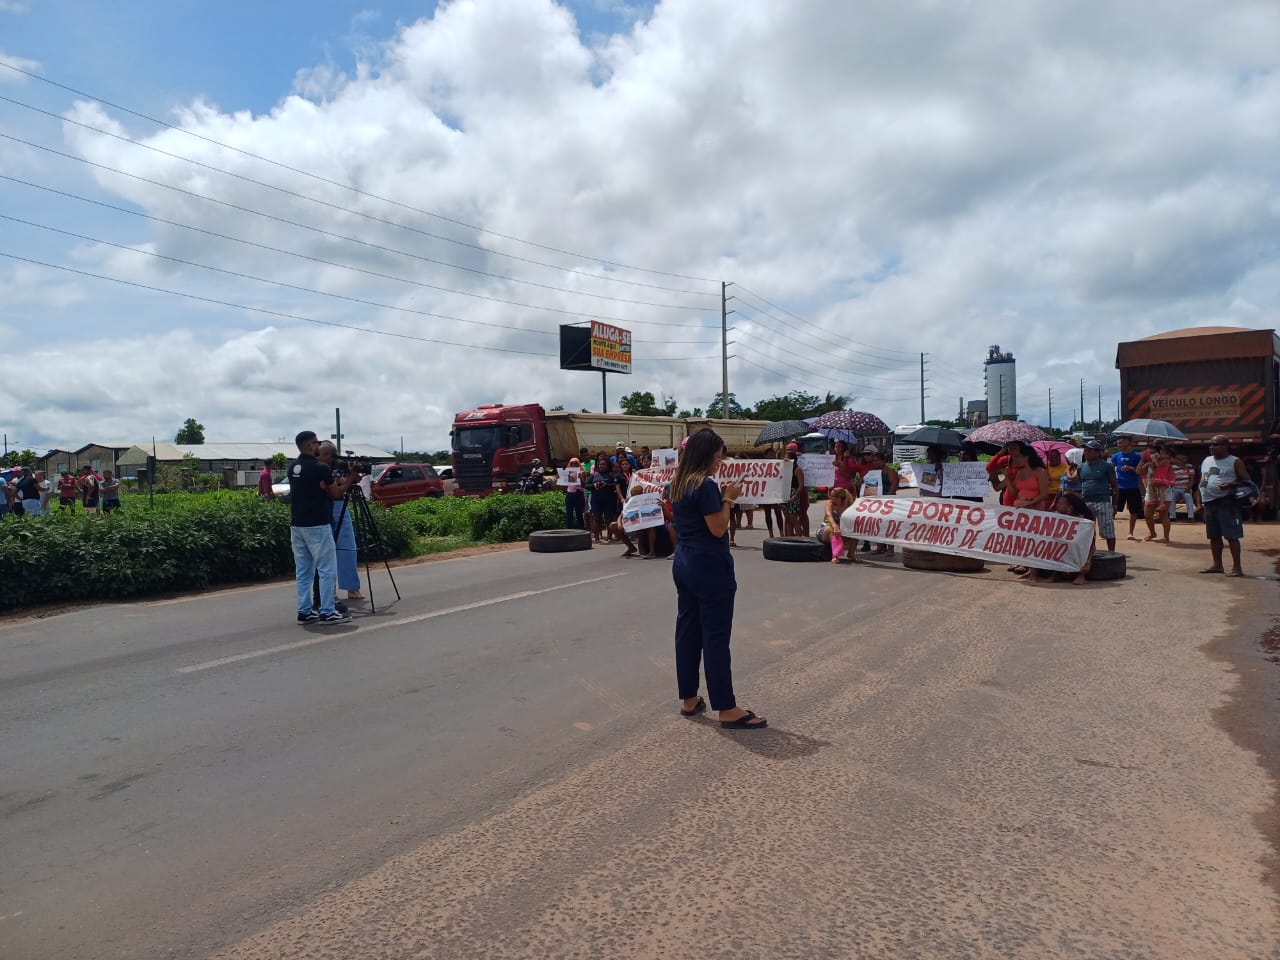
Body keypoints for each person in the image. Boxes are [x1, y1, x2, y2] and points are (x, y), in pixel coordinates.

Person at [669, 428, 765, 729]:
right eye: (717, 459)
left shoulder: (678, 483)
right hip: (709, 563)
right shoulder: (705, 485)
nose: (718, 465)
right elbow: (719, 529)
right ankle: (726, 707)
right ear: (708, 455)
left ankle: (689, 698)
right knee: (715, 635)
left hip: (684, 560)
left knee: (687, 630)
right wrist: (729, 499)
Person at [289, 430, 355, 624]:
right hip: (318, 523)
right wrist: (351, 478)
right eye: (316, 443)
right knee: (326, 569)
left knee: (303, 571)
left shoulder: (292, 467)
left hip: (297, 524)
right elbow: (336, 495)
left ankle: (305, 611)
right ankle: (327, 611)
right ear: (310, 445)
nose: (318, 446)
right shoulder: (320, 468)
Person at [318, 441, 365, 602]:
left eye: (326, 454)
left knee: (348, 548)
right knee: (326, 552)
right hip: (323, 507)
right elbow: (336, 489)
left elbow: (354, 480)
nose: (322, 457)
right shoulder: (316, 466)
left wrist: (353, 474)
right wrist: (341, 483)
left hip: (340, 507)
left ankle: (352, 587)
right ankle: (328, 591)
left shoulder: (341, 464)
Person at [1199, 435, 1251, 577]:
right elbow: (1204, 478)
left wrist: (1230, 484)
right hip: (1209, 502)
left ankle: (1237, 568)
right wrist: (1200, 498)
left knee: (1232, 536)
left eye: (1215, 444)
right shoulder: (1207, 460)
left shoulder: (1234, 461)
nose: (1212, 447)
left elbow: (1247, 481)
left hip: (1226, 502)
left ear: (1225, 446)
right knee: (1214, 536)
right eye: (1210, 445)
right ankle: (1217, 565)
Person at [1023, 493, 1095, 585]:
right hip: (1058, 545)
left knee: (1078, 551)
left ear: (1070, 507)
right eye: (1058, 503)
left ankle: (1081, 576)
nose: (1057, 505)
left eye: (1061, 504)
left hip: (1079, 547)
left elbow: (1089, 540)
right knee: (1034, 544)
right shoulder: (1055, 514)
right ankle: (1034, 575)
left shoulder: (1082, 519)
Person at [1079, 440, 1118, 551]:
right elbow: (1081, 484)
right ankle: (1090, 553)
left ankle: (1112, 553)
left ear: (1097, 452)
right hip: (1086, 502)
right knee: (1087, 530)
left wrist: (1115, 505)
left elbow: (1115, 487)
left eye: (1089, 450)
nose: (1086, 452)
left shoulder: (1107, 466)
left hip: (1103, 501)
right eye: (1085, 450)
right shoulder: (1081, 467)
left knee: (1108, 530)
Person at [1110, 437, 1144, 541]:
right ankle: (1109, 531)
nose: (1118, 444)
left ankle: (1130, 532)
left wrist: (1131, 468)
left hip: (1133, 486)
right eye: (1118, 443)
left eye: (1121, 442)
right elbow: (1110, 469)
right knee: (1113, 509)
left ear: (1128, 442)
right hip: (1120, 486)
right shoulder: (1116, 456)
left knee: (1133, 511)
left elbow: (1141, 471)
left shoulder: (1137, 456)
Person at [1139, 443, 1174, 543]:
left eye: (1154, 453)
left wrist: (1154, 463)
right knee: (1147, 515)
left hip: (1164, 489)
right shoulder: (1149, 463)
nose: (1152, 454)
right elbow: (1138, 471)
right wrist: (1143, 460)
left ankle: (1166, 537)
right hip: (1150, 491)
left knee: (1164, 516)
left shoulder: (1166, 462)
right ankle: (1152, 533)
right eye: (1150, 453)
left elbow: (1163, 473)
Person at [589, 451, 622, 543]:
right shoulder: (594, 475)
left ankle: (609, 537)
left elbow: (614, 485)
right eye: (600, 464)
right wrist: (594, 486)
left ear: (608, 466)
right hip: (596, 500)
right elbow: (586, 485)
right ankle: (596, 538)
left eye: (604, 464)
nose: (602, 466)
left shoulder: (612, 475)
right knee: (596, 518)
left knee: (608, 518)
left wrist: (606, 484)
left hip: (608, 500)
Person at [819, 487, 857, 563]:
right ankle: (835, 556)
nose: (832, 499)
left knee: (856, 529)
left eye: (835, 497)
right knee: (832, 528)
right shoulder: (829, 503)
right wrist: (835, 526)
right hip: (825, 530)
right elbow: (828, 515)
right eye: (831, 496)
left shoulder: (849, 505)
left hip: (842, 531)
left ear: (841, 498)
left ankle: (851, 553)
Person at [782, 443, 807, 536]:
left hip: (793, 494)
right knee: (787, 519)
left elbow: (801, 485)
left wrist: (795, 496)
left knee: (794, 520)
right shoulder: (784, 469)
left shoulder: (797, 469)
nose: (785, 459)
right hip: (784, 493)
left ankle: (799, 539)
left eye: (787, 457)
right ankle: (788, 539)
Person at [1170, 450, 1199, 522]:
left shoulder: (1189, 466)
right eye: (1180, 459)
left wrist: (1188, 488)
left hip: (1186, 488)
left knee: (1188, 496)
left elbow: (1192, 479)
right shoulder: (1172, 467)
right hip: (1175, 488)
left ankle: (1191, 517)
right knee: (1171, 497)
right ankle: (1172, 516)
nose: (1182, 460)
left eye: (1184, 459)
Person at [563, 457, 586, 529]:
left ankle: (581, 529)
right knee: (569, 513)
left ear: (578, 464)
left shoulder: (582, 472)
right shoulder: (567, 472)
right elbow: (564, 485)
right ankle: (569, 530)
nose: (573, 465)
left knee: (579, 513)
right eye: (572, 463)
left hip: (578, 494)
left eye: (575, 463)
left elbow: (583, 485)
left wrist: (580, 478)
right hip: (569, 494)